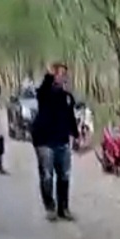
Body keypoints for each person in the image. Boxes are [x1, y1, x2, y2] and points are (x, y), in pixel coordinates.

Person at [32, 62, 79, 221]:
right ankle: (50, 207)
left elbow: (70, 118)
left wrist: (76, 135)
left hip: (62, 141)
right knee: (47, 175)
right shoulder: (45, 93)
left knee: (64, 175)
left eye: (65, 74)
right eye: (60, 74)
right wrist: (49, 75)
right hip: (44, 140)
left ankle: (63, 208)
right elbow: (42, 90)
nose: (63, 77)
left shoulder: (67, 97)